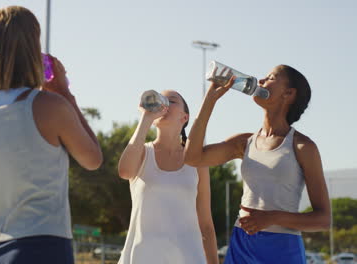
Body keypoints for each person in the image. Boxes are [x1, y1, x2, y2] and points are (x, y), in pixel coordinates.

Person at [0, 6, 103, 263]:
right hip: (42, 246)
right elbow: (93, 158)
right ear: (32, 49)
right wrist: (65, 93)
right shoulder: (49, 106)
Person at [185, 65, 331, 264]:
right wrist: (210, 100)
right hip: (242, 244)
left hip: (282, 249)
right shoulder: (244, 142)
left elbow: (323, 220)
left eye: (270, 77)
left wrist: (272, 217)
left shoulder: (303, 146)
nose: (261, 81)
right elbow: (192, 157)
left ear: (288, 93)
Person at [118, 90, 218, 264]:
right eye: (160, 99)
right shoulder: (142, 152)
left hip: (188, 258)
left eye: (171, 101)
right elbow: (124, 171)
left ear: (184, 117)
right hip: (142, 257)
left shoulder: (197, 160)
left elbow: (206, 223)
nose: (163, 104)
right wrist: (146, 118)